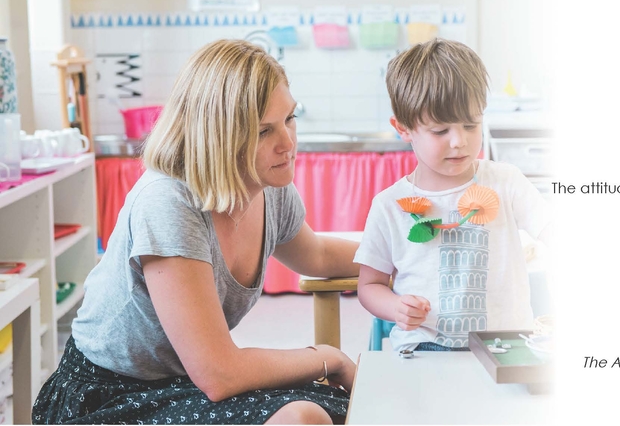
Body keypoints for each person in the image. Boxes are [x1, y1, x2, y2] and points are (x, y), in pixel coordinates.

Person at [33, 39, 360, 425]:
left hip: (187, 382)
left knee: (351, 411)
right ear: (218, 136)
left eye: (290, 118)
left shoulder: (267, 186)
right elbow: (219, 374)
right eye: (263, 131)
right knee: (305, 417)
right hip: (109, 395)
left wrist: (402, 260)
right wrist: (328, 357)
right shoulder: (168, 202)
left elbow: (317, 255)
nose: (288, 143)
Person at [354, 38, 552, 353]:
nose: (459, 141)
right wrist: (395, 307)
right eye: (440, 131)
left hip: (508, 344)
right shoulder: (389, 206)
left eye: (470, 125)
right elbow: (369, 286)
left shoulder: (505, 181)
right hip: (425, 345)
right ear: (404, 128)